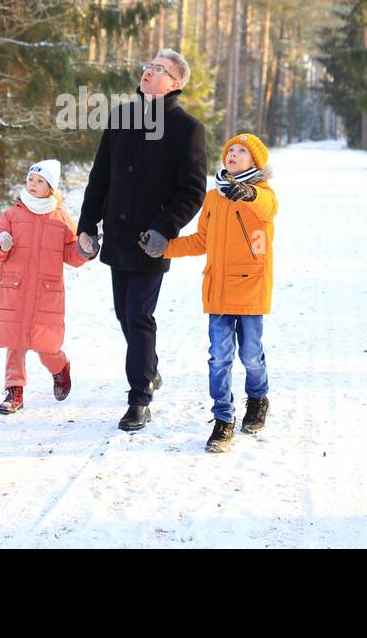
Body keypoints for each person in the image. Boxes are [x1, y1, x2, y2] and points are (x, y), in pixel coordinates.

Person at [76, 50, 208, 432]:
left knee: (138, 314)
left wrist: (164, 228)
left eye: (159, 70)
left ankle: (139, 399)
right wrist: (87, 223)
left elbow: (193, 190)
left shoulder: (187, 129)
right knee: (124, 314)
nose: (149, 73)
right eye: (148, 67)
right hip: (117, 234)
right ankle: (148, 369)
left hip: (150, 239)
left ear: (176, 84)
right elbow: (100, 176)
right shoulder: (121, 117)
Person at [156, 132, 276, 453]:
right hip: (218, 289)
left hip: (250, 287)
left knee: (250, 354)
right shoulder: (213, 198)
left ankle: (258, 398)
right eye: (230, 150)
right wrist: (164, 248)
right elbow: (200, 240)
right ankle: (223, 418)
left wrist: (249, 193)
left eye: (241, 151)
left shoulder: (263, 194)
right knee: (219, 358)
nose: (232, 154)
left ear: (256, 161)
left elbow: (266, 209)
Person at [0, 159, 90, 414]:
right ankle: (14, 391)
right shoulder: (12, 214)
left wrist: (84, 250)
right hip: (15, 291)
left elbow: (72, 255)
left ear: (51, 188)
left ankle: (60, 367)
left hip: (46, 293)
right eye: (31, 179)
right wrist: (0, 243)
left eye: (40, 181)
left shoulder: (60, 219)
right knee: (15, 343)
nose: (33, 184)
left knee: (46, 348)